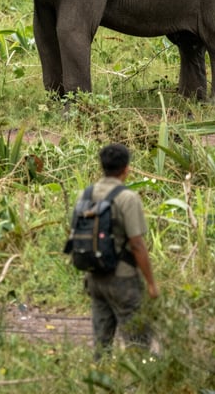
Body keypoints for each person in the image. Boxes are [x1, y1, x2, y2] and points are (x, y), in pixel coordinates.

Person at [77, 143, 159, 358]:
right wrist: (151, 283)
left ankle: (100, 375)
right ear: (126, 168)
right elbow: (137, 244)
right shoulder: (127, 198)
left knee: (101, 344)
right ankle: (138, 375)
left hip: (94, 278)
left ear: (102, 166)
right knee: (138, 342)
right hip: (122, 278)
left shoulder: (86, 194)